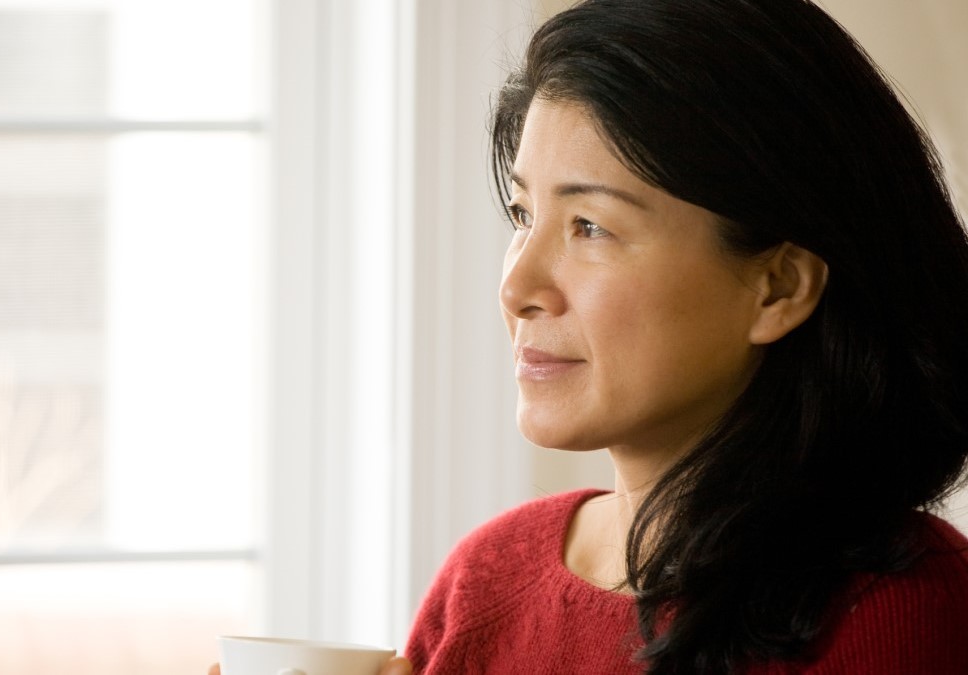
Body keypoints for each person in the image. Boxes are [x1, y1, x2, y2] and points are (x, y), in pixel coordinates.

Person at [214, 0, 968, 672]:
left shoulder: (903, 611)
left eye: (590, 226)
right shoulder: (487, 578)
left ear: (778, 286)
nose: (518, 288)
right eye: (522, 215)